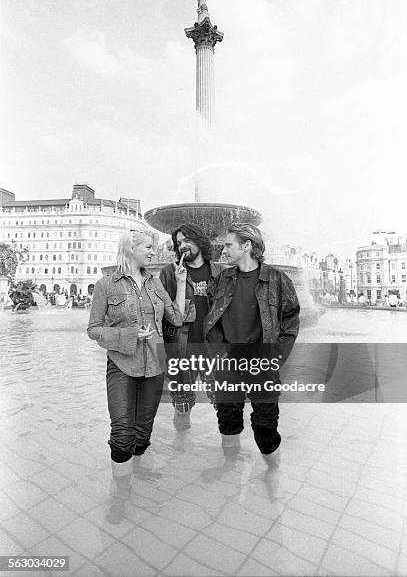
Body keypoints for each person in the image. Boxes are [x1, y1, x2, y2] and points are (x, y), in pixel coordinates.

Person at [87, 228, 187, 523]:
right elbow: (93, 329)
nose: (153, 252)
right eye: (148, 247)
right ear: (130, 249)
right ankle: (120, 493)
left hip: (154, 365)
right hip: (121, 363)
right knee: (121, 433)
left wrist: (181, 284)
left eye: (153, 248)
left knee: (143, 433)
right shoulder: (106, 285)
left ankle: (136, 470)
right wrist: (130, 334)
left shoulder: (155, 284)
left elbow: (177, 319)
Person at [204, 223, 300, 462]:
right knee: (228, 424)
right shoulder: (221, 280)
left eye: (228, 244)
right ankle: (230, 474)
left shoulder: (278, 279)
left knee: (265, 430)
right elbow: (211, 318)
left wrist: (275, 357)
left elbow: (290, 321)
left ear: (246, 246)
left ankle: (272, 479)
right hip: (228, 364)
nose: (223, 249)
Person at [159, 224, 223, 430]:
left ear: (199, 241)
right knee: (182, 407)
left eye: (187, 240)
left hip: (214, 351)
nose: (183, 246)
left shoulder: (219, 272)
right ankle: (181, 451)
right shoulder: (169, 273)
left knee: (225, 405)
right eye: (179, 243)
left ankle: (231, 454)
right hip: (182, 351)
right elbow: (164, 314)